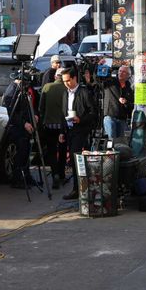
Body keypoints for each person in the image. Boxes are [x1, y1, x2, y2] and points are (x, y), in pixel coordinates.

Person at [59, 68, 97, 201]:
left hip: (81, 130)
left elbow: (93, 112)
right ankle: (78, 188)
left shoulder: (84, 92)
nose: (66, 83)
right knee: (72, 160)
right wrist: (62, 131)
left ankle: (78, 189)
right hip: (69, 129)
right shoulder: (65, 93)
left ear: (75, 78)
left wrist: (80, 119)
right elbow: (63, 112)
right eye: (64, 81)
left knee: (77, 160)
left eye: (68, 80)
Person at [2, 73, 40, 190]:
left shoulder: (21, 90)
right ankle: (17, 179)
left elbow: (26, 107)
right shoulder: (12, 91)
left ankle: (26, 176)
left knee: (26, 151)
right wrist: (24, 123)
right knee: (20, 153)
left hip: (26, 127)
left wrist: (34, 115)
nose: (27, 86)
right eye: (26, 84)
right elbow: (12, 112)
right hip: (17, 127)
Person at [38, 69, 68, 187]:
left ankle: (55, 173)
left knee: (51, 150)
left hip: (49, 124)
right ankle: (61, 174)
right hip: (63, 126)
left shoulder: (46, 87)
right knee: (62, 150)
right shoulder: (66, 88)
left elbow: (41, 107)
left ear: (55, 76)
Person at [101, 65, 133, 140]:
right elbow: (99, 80)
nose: (121, 73)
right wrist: (100, 66)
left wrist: (125, 102)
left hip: (122, 118)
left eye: (124, 72)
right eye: (120, 71)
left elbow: (131, 104)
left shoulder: (129, 88)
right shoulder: (111, 82)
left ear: (128, 75)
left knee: (120, 142)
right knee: (111, 140)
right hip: (110, 116)